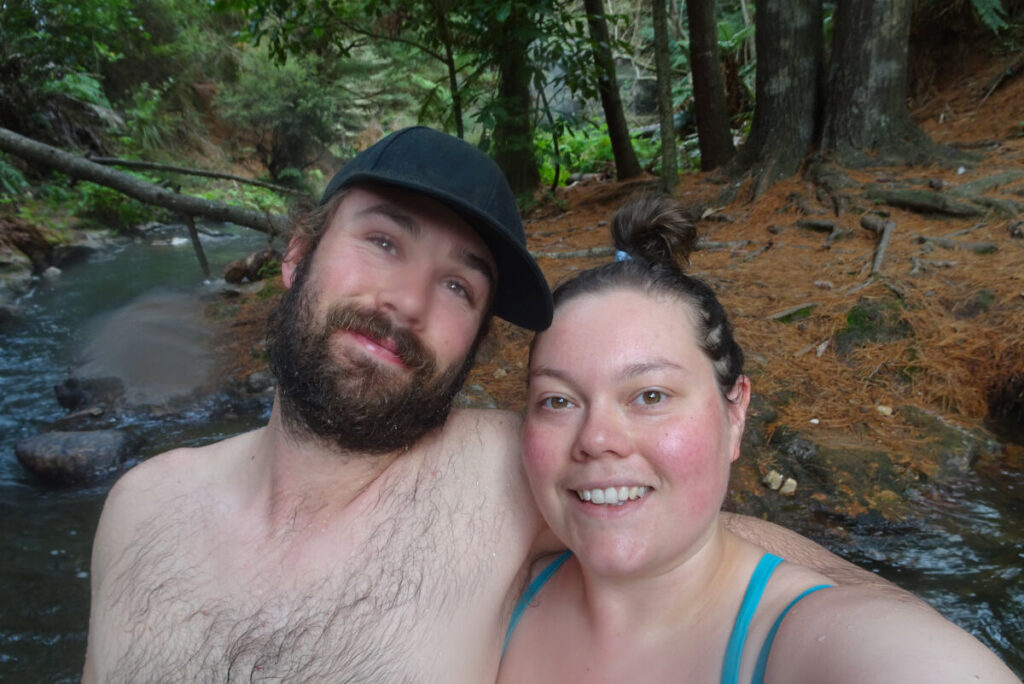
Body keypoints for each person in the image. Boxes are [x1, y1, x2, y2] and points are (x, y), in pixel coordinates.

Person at [84, 127, 898, 683]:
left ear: (474, 341)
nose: (406, 303)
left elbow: (708, 544)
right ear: (296, 256)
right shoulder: (139, 508)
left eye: (457, 286)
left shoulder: (508, 475)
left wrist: (888, 627)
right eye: (383, 242)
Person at [498, 195, 1022, 684]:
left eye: (651, 395)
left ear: (736, 414)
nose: (596, 439)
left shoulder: (813, 639)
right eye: (558, 401)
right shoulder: (487, 594)